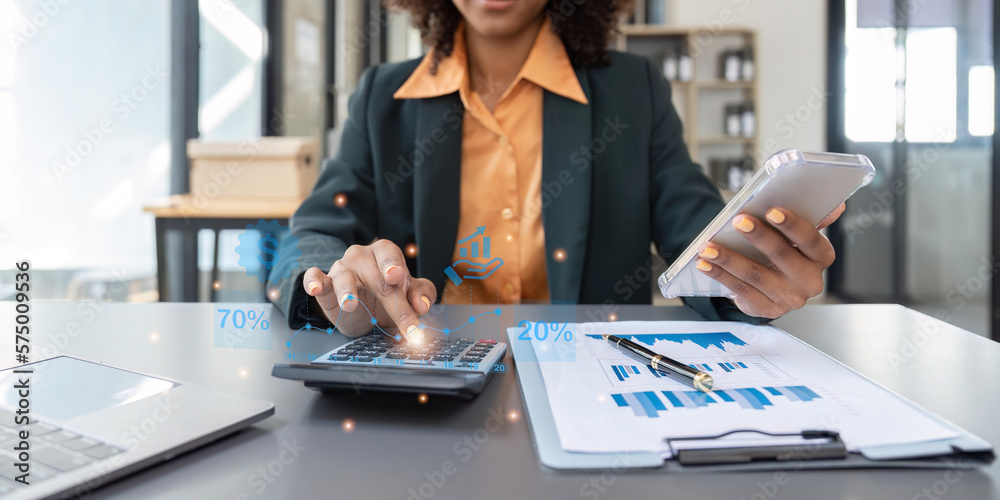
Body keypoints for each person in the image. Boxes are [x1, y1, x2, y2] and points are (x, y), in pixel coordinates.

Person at [267, 0, 844, 340]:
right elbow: (315, 233)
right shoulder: (383, 97)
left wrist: (752, 278)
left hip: (594, 383)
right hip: (425, 382)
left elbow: (692, 228)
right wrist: (330, 284)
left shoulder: (631, 90)